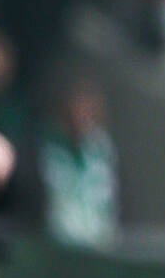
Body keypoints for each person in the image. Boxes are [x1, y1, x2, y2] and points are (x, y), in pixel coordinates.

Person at [37, 72, 120, 249]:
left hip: (98, 246)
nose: (82, 114)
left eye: (89, 108)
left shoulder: (102, 149)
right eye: (78, 106)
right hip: (56, 246)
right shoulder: (43, 147)